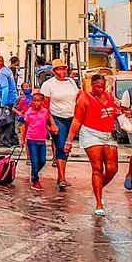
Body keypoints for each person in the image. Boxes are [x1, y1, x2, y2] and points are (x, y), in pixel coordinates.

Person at [66, 74, 121, 216]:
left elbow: (115, 112)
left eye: (103, 87)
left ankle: (98, 187)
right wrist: (69, 140)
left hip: (108, 134)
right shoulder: (84, 99)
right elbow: (77, 120)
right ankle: (98, 202)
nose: (100, 90)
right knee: (97, 168)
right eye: (97, 87)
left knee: (112, 168)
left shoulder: (109, 96)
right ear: (92, 85)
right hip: (91, 133)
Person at [40, 59, 80, 190]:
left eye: (63, 68)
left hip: (71, 118)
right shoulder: (48, 85)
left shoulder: (71, 82)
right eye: (59, 69)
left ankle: (61, 175)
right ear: (54, 71)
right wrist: (51, 123)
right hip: (57, 117)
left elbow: (78, 97)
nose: (62, 71)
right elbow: (45, 105)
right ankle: (62, 177)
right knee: (61, 146)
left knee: (67, 147)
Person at [20, 91, 58, 191]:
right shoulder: (29, 113)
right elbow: (25, 127)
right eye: (35, 101)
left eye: (39, 101)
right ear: (32, 101)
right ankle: (35, 180)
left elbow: (47, 123)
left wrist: (50, 128)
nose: (37, 103)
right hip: (31, 139)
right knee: (34, 161)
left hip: (42, 140)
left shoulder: (45, 112)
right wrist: (23, 140)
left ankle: (34, 173)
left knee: (42, 161)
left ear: (42, 102)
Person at [0, 55, 18, 148]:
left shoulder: (2, 74)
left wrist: (3, 103)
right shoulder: (8, 70)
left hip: (7, 101)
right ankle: (13, 141)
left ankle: (5, 142)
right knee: (11, 121)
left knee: (4, 121)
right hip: (13, 100)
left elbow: (5, 88)